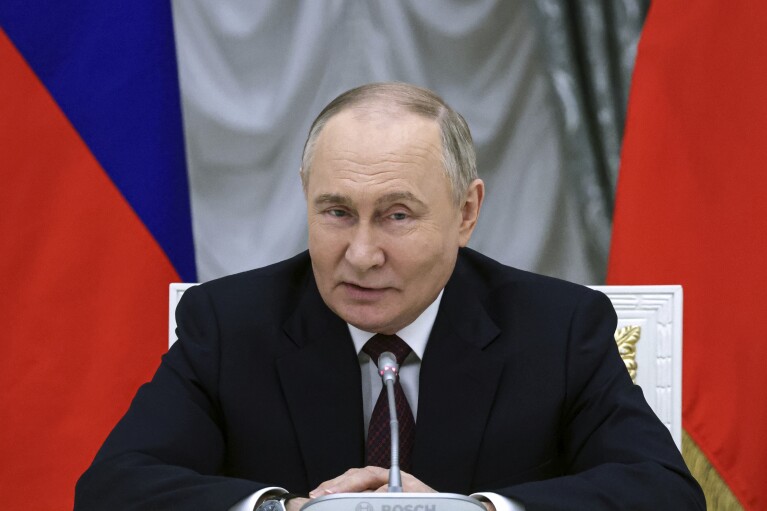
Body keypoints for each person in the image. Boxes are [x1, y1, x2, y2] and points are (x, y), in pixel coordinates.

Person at [75, 82, 705, 510]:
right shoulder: (228, 325)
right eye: (337, 212)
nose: (362, 253)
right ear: (306, 197)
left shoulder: (559, 328)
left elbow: (661, 492)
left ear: (466, 211)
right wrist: (289, 509)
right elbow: (113, 489)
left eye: (397, 215)